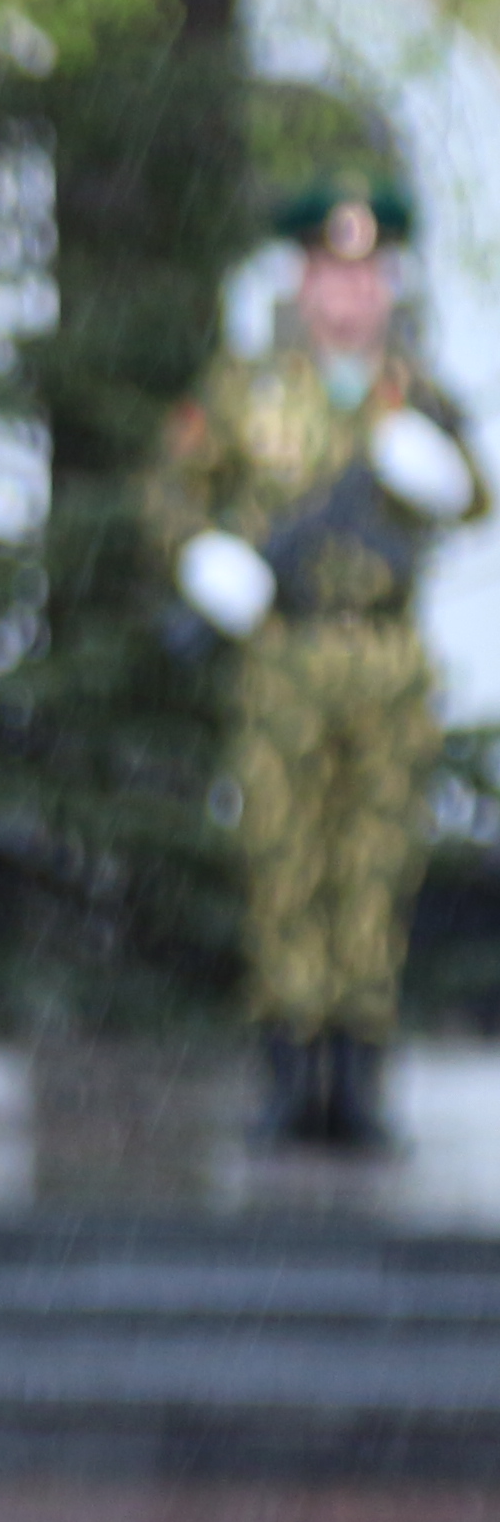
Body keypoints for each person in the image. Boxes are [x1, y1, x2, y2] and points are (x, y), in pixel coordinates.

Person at [157, 175, 484, 1148]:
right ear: (303, 282)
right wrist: (202, 556)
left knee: (376, 863)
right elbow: (175, 490)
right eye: (332, 275)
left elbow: (473, 499)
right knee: (284, 861)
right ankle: (290, 1074)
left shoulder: (416, 391)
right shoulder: (247, 384)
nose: (350, 295)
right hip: (285, 656)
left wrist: (450, 475)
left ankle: (360, 1078)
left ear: (387, 285)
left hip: (385, 656)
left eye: (367, 275)